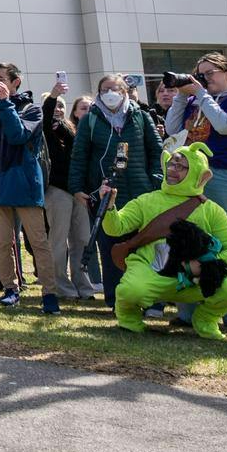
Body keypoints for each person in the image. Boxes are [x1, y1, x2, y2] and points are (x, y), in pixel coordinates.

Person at [101, 141, 227, 338]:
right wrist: (109, 207)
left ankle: (205, 319)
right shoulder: (147, 200)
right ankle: (128, 317)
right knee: (130, 290)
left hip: (195, 280)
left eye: (181, 166)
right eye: (171, 163)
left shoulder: (211, 210)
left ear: (200, 175)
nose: (173, 170)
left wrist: (203, 266)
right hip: (152, 272)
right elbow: (115, 228)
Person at [166, 53, 227, 334]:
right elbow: (173, 129)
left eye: (211, 72)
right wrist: (183, 96)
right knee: (188, 239)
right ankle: (189, 310)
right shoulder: (196, 99)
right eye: (200, 73)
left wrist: (201, 94)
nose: (205, 78)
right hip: (193, 177)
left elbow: (226, 125)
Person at [69, 73, 162, 306]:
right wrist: (77, 187)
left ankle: (152, 300)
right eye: (105, 89)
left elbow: (156, 151)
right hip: (106, 194)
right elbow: (79, 156)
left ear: (124, 91)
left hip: (142, 192)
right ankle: (116, 300)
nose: (110, 93)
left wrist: (155, 181)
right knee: (110, 248)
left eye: (115, 89)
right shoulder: (91, 119)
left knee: (145, 246)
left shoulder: (140, 116)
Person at [0, 63, 52, 312]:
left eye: (1, 79)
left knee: (38, 242)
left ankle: (49, 293)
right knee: (2, 242)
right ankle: (10, 288)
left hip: (24, 183)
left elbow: (18, 136)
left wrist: (5, 103)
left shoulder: (32, 109)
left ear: (16, 82)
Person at [39, 90, 95, 309]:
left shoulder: (71, 130)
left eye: (62, 106)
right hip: (57, 190)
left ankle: (84, 286)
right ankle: (62, 287)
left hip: (78, 192)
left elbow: (79, 153)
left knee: (82, 239)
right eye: (54, 106)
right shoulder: (43, 130)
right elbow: (45, 117)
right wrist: (52, 97)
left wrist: (65, 128)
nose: (58, 110)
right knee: (58, 241)